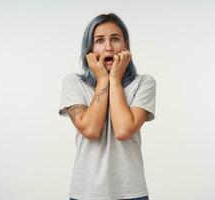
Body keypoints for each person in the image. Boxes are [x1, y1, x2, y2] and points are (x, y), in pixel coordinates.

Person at [58, 13, 156, 200]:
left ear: (125, 45)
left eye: (115, 39)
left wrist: (115, 80)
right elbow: (91, 130)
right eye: (100, 41)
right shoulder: (74, 83)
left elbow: (123, 130)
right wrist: (103, 79)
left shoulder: (144, 83)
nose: (109, 47)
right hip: (85, 192)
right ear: (90, 48)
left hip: (131, 192)